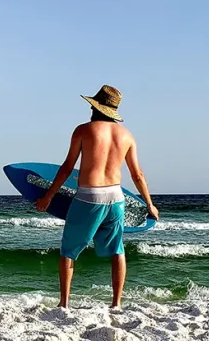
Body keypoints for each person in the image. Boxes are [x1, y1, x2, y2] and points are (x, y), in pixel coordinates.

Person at [34, 84, 160, 309]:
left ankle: (63, 304)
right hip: (116, 197)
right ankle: (116, 304)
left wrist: (48, 197)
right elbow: (137, 174)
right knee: (117, 250)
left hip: (89, 197)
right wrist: (150, 204)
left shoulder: (83, 130)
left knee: (68, 250)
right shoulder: (127, 135)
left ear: (96, 108)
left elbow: (66, 168)